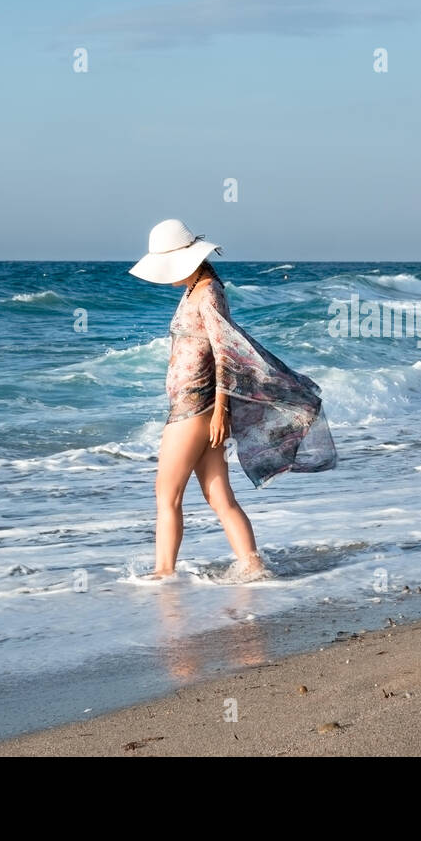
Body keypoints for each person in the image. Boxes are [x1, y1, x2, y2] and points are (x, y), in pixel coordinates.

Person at [128, 219, 336, 581]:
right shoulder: (196, 288)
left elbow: (227, 354)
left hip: (195, 408)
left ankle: (164, 574)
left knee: (167, 494)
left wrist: (221, 412)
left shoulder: (208, 292)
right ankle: (253, 568)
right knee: (219, 498)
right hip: (196, 406)